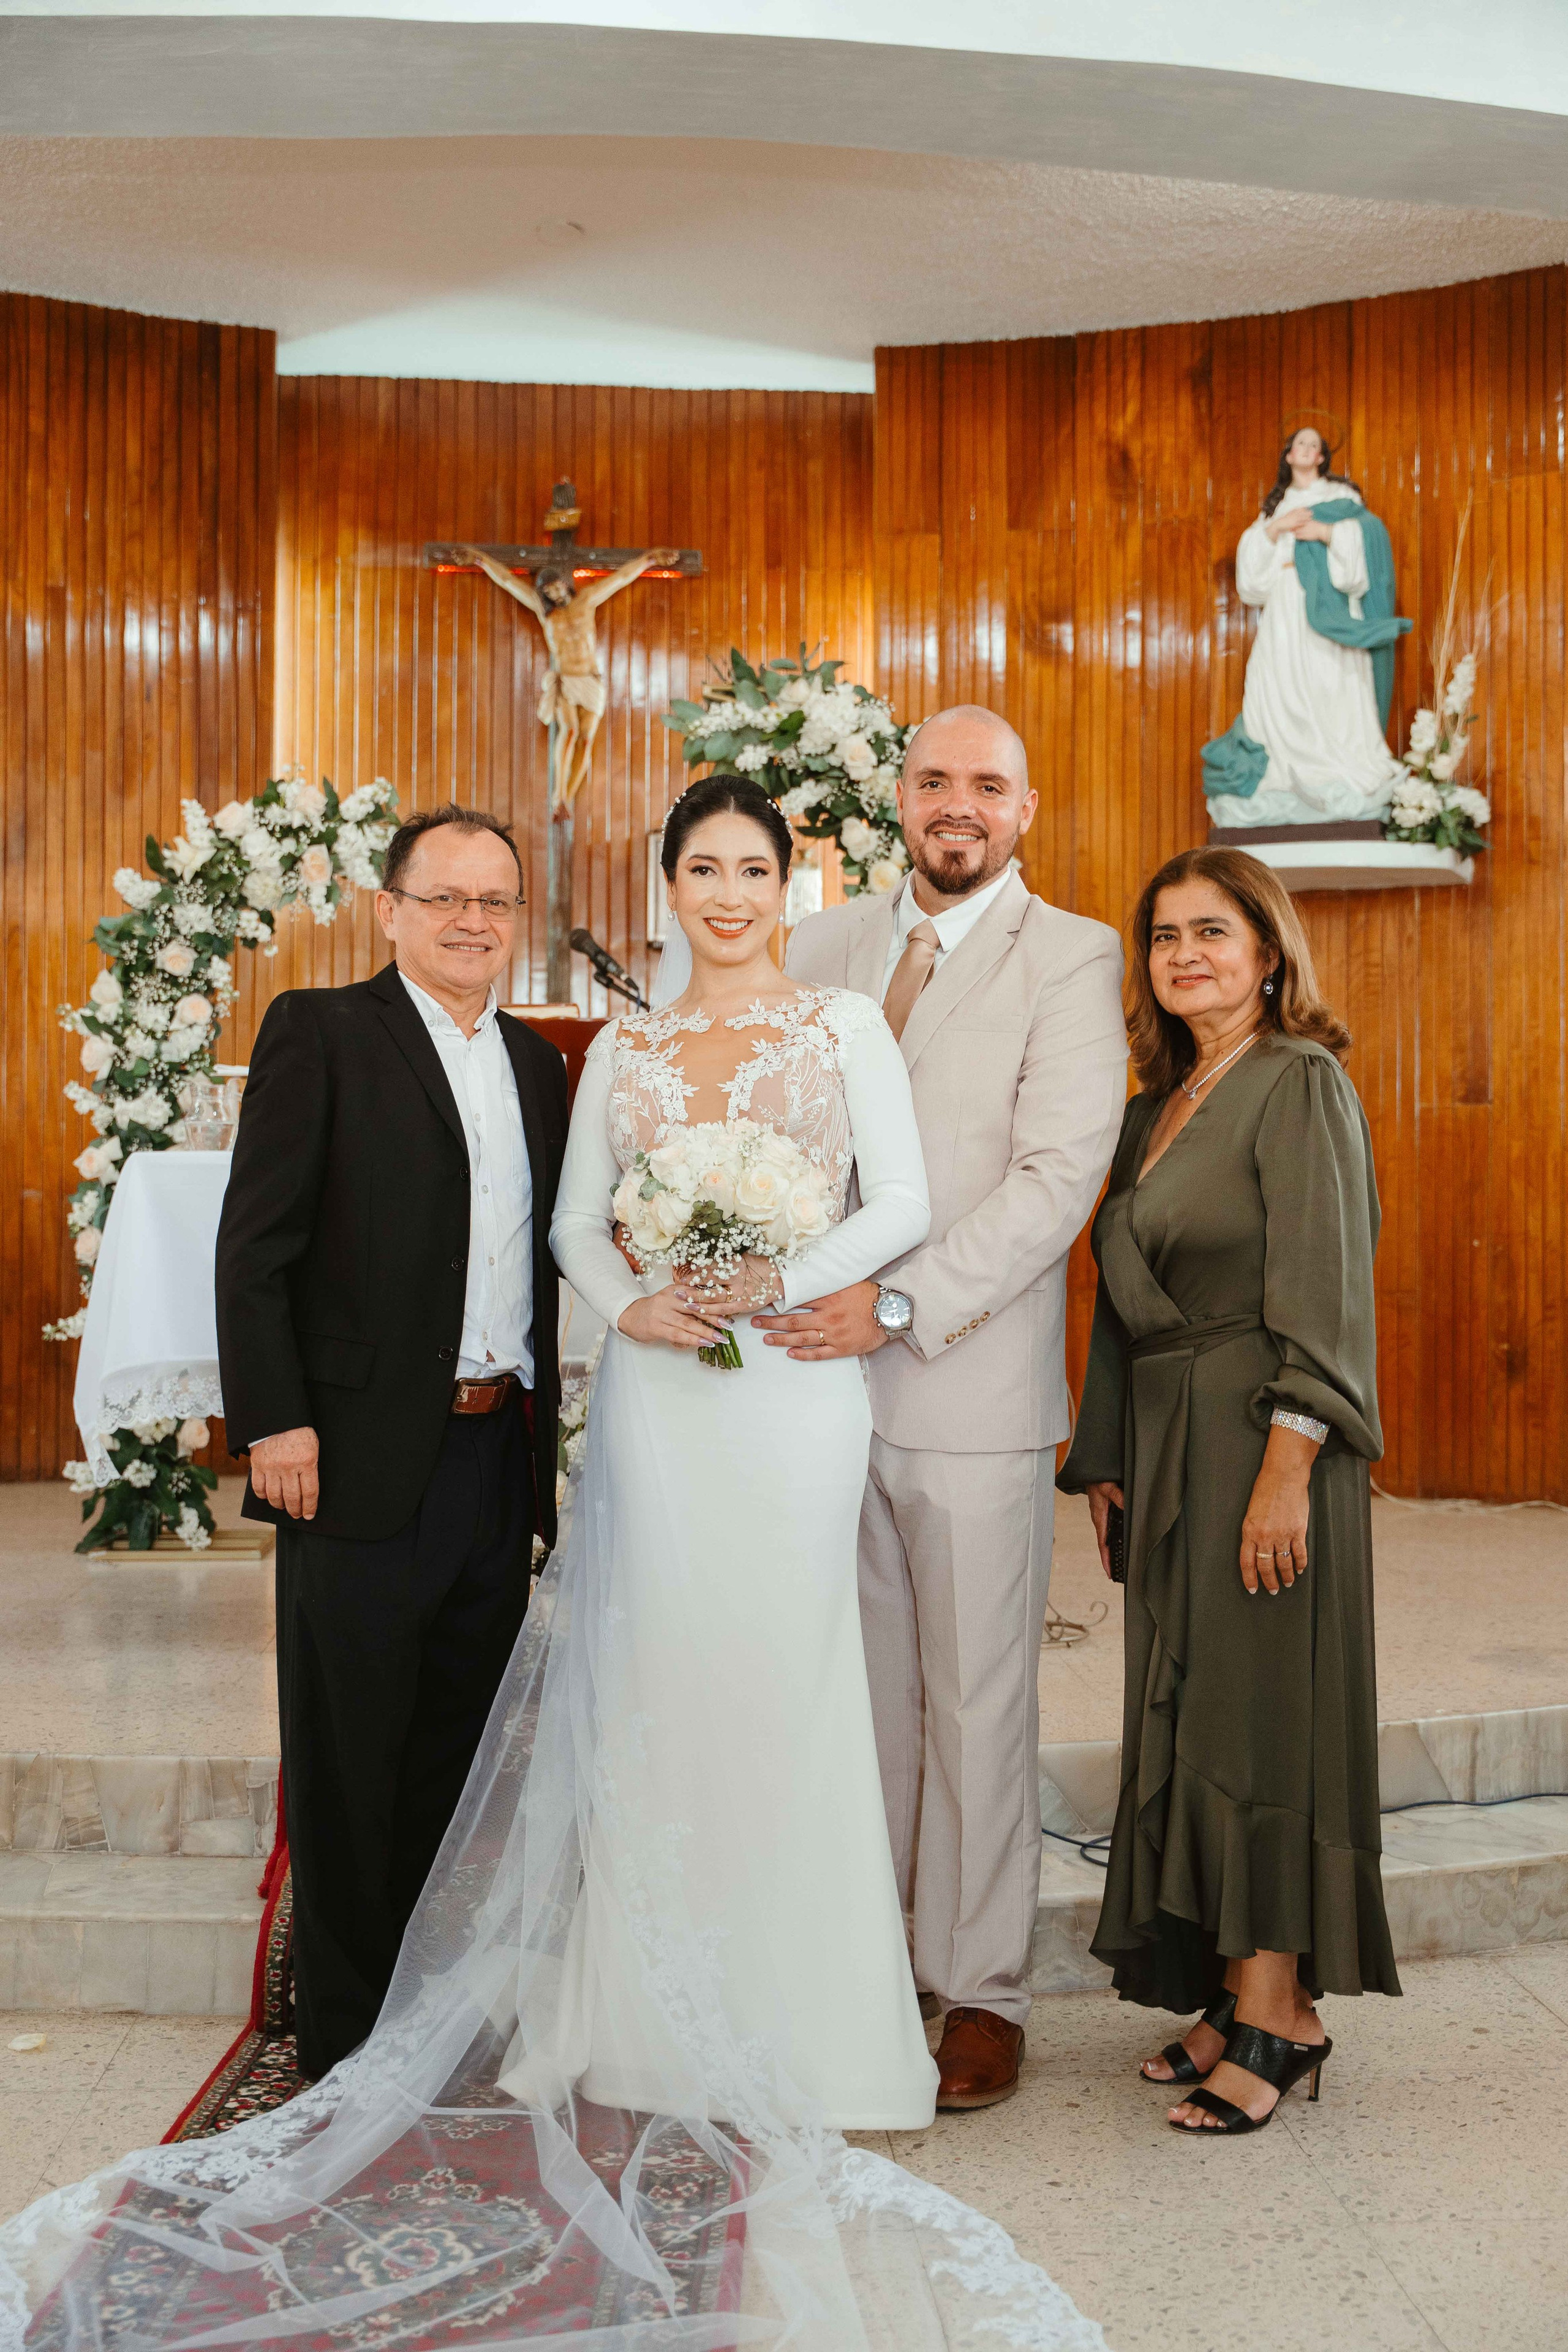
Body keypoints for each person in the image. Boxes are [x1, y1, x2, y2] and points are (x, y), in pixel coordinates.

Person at [0, 775, 1110, 2352]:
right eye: (700, 866)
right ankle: (605, 2012)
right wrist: (643, 1299)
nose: (726, 892)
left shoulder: (837, 1024)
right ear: (662, 883)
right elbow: (577, 1229)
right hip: (659, 1397)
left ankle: (808, 2013)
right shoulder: (621, 1050)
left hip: (789, 1390)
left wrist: (770, 1275)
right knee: (644, 1682)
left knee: (789, 1687)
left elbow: (910, 1201)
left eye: (751, 867)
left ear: (786, 887)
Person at [767, 706, 1127, 2110]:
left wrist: (901, 1303)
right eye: (931, 781)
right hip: (813, 1388)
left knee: (976, 1697)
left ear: (1024, 810)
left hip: (963, 1382)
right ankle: (876, 1958)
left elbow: (1052, 1183)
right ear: (897, 801)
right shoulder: (823, 944)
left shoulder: (1074, 956)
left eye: (985, 784)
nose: (955, 804)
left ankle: (977, 1987)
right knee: (862, 1695)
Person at [213, 802, 567, 2082]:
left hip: (489, 1458)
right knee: (348, 1755)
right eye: (447, 899)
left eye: (495, 902)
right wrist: (274, 1417)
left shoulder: (536, 1065)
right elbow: (255, 1247)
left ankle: (427, 2015)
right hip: (348, 1457)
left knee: (451, 1763)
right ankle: (348, 2043)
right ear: (392, 910)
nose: (473, 922)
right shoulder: (322, 1033)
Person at [1058, 845, 1400, 2138]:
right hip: (1166, 1447)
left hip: (1265, 1440)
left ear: (1267, 950)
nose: (1184, 954)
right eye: (1162, 937)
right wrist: (1104, 1459)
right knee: (1189, 1706)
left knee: (1260, 1716)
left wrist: (1287, 1470)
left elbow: (1325, 1287)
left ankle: (1280, 2013)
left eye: (1212, 930)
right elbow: (1118, 1307)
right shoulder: (1159, 1105)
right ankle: (1220, 1985)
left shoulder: (1298, 1084)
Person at [1201, 423, 1411, 827]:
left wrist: (1326, 532)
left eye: (1314, 445)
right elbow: (1251, 579)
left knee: (1330, 682)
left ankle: (1335, 771)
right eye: (1300, 443)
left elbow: (1369, 536)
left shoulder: (1340, 497)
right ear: (1289, 455)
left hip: (1325, 610)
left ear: (1320, 458)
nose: (1306, 449)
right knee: (1274, 685)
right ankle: (1282, 777)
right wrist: (1276, 528)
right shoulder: (1276, 507)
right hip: (1283, 608)